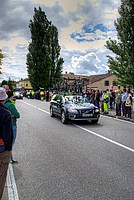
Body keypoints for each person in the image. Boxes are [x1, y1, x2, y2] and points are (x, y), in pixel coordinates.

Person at [0, 87, 13, 199]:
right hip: (2, 149)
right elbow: (8, 135)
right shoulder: (6, 113)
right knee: (1, 177)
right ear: (4, 99)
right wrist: (8, 148)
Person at [4, 90, 20, 163]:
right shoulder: (10, 105)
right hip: (12, 125)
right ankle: (9, 158)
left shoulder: (4, 104)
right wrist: (13, 115)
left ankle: (10, 158)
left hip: (4, 125)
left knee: (6, 142)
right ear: (11, 96)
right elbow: (17, 115)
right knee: (11, 142)